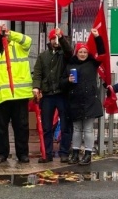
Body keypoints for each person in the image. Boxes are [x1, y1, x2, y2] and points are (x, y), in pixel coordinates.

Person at [0, 24, 34, 164]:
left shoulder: (19, 46)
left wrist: (11, 34)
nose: (3, 38)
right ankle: (2, 153)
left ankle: (22, 154)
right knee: (1, 127)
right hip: (1, 95)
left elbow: (28, 40)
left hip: (19, 94)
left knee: (21, 126)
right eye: (0, 36)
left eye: (4, 35)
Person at [61, 29, 106, 165]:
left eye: (85, 52)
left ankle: (87, 154)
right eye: (80, 52)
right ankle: (75, 153)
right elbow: (62, 82)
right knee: (76, 129)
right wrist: (67, 80)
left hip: (89, 101)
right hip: (74, 101)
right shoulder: (70, 64)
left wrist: (97, 37)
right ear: (77, 52)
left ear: (88, 53)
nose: (82, 54)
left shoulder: (93, 63)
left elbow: (102, 53)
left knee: (87, 129)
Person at [32, 28, 74, 163]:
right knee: (46, 126)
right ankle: (47, 153)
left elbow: (69, 51)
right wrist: (36, 87)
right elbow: (37, 73)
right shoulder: (42, 56)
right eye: (53, 39)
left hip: (62, 93)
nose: (55, 42)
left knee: (66, 125)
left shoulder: (65, 55)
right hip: (48, 95)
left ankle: (64, 153)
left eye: (57, 39)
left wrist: (61, 38)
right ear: (49, 40)